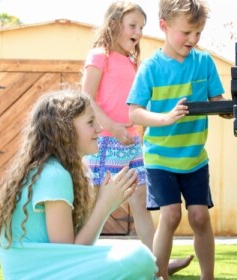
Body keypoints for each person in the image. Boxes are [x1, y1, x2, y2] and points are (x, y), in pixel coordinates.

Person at [0, 89, 158, 280]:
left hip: (46, 270)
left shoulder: (56, 170)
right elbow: (68, 255)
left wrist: (107, 203)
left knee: (133, 254)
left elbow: (76, 255)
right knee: (139, 256)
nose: (100, 128)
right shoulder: (54, 175)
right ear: (65, 129)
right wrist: (104, 205)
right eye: (90, 122)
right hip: (39, 274)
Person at [81, 1, 193, 275]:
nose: (138, 32)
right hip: (103, 141)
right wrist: (111, 127)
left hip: (130, 141)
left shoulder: (133, 63)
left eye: (142, 27)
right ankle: (77, 259)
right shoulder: (99, 55)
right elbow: (85, 96)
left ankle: (157, 265)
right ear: (114, 25)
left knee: (141, 200)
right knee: (94, 201)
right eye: (133, 25)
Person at [126, 0, 230, 279]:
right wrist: (165, 118)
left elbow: (217, 100)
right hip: (160, 157)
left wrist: (227, 110)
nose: (193, 40)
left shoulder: (204, 62)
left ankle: (208, 277)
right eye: (186, 33)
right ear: (164, 26)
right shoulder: (151, 68)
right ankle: (161, 276)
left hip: (194, 158)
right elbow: (134, 112)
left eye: (198, 33)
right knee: (170, 216)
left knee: (200, 217)